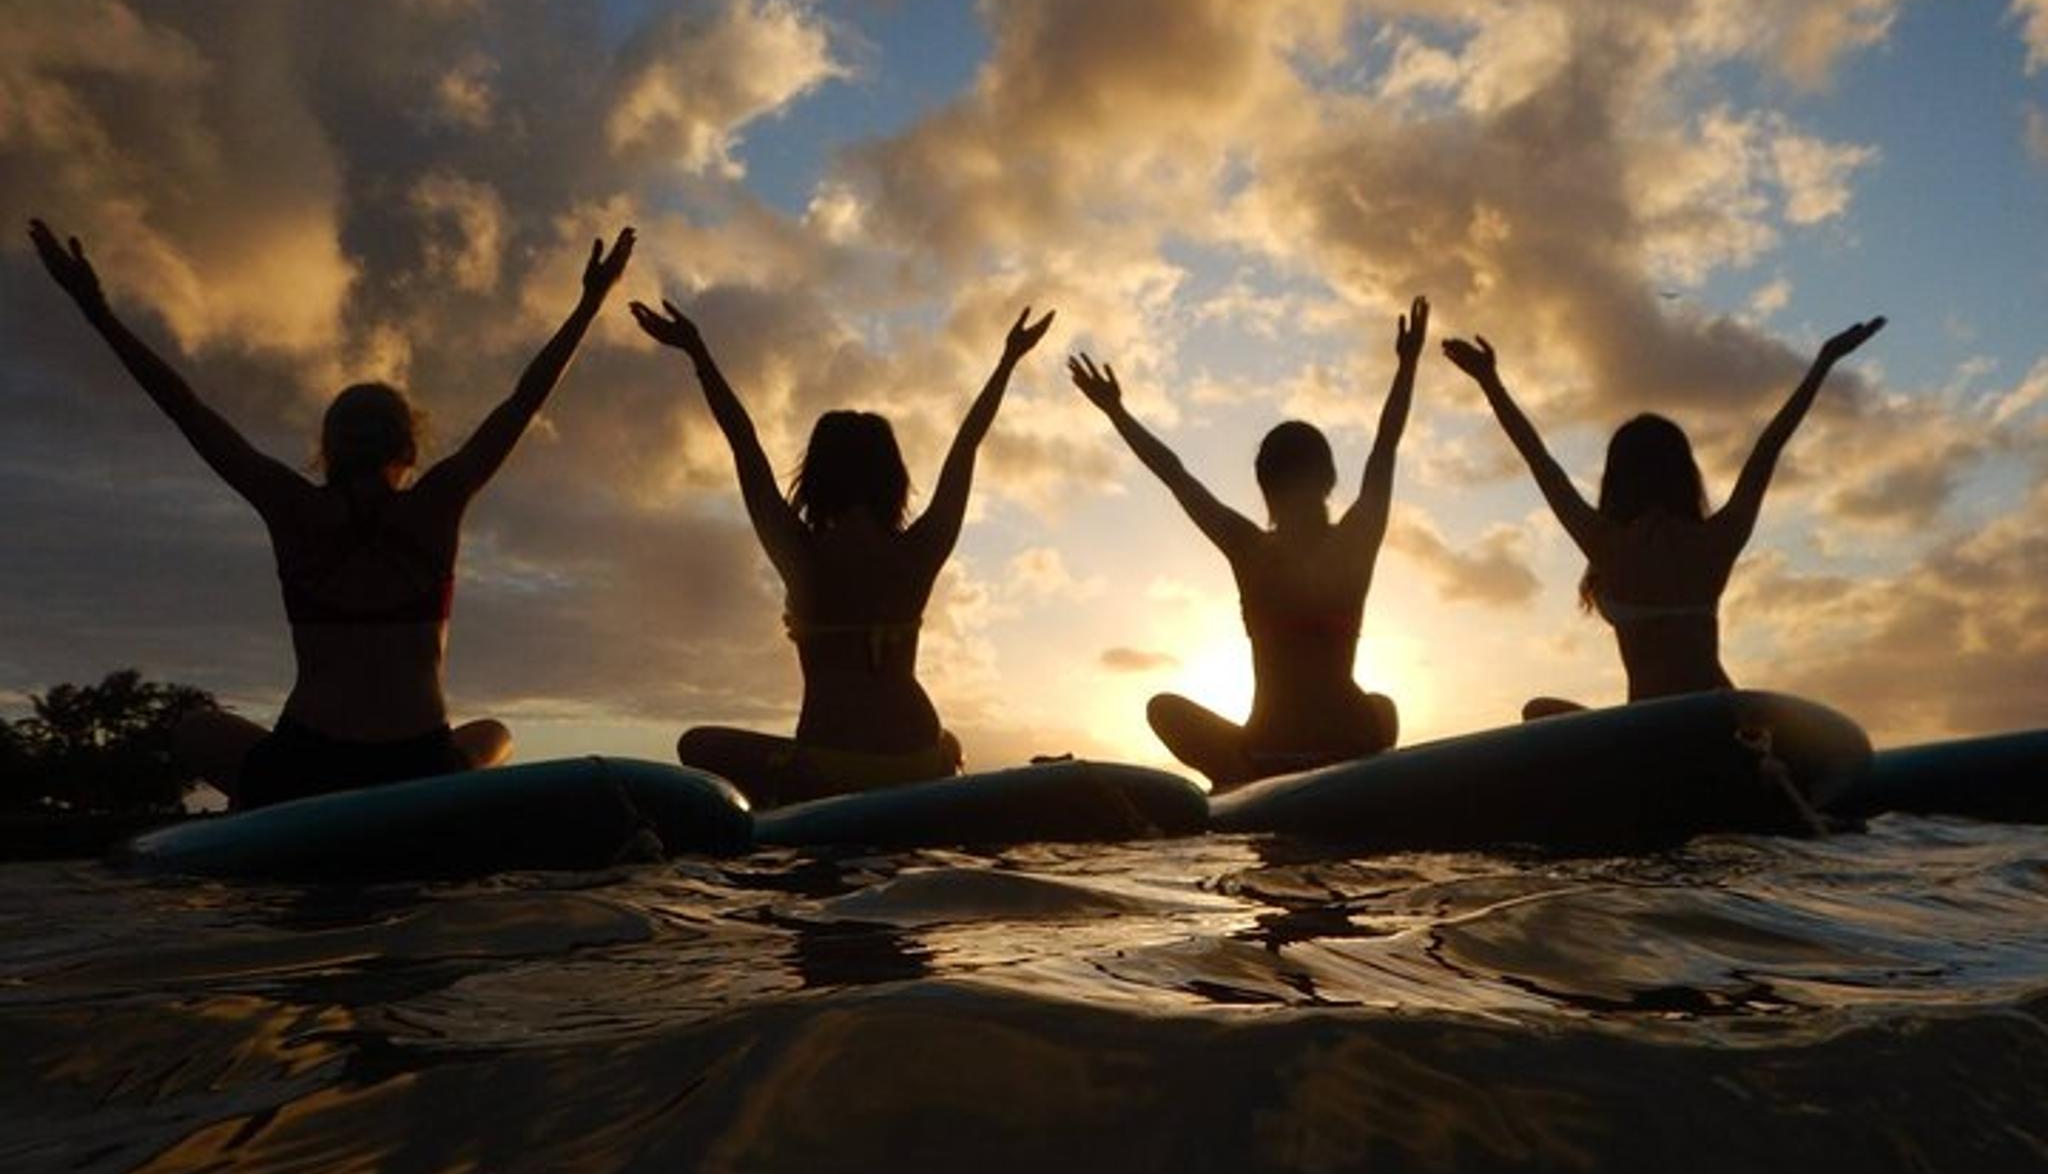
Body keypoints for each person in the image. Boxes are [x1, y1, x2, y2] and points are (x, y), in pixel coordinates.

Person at [27, 217, 636, 807]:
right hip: (418, 764)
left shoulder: (288, 503)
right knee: (495, 734)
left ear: (326, 451)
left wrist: (98, 313)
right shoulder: (438, 501)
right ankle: (433, 802)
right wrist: (588, 304)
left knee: (196, 729)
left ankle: (271, 815)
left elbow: (184, 408)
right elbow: (522, 403)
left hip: (304, 766)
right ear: (409, 450)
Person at [634, 296, 1054, 808]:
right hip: (918, 755)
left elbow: (743, 442)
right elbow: (967, 445)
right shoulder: (920, 551)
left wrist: (696, 351)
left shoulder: (799, 554)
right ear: (893, 480)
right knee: (951, 744)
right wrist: (1008, 360)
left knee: (696, 744)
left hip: (832, 766)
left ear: (815, 478)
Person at [1440, 316, 1886, 719]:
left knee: (1538, 711)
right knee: (1546, 711)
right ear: (1683, 472)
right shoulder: (1716, 540)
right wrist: (1823, 362)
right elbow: (1768, 448)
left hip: (1650, 732)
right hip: (1720, 720)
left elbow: (1539, 460)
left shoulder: (1605, 544)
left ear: (1616, 476)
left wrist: (1489, 382)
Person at [1069, 297, 1430, 791]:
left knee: (1163, 708)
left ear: (1265, 488)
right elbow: (1385, 446)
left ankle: (1242, 775)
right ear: (1327, 480)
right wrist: (1407, 365)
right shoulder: (1354, 542)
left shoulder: (1250, 549)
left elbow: (1176, 476)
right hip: (1347, 741)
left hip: (1265, 749)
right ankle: (1293, 768)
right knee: (1383, 708)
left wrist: (1116, 411)